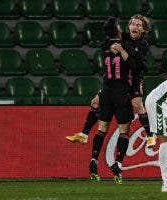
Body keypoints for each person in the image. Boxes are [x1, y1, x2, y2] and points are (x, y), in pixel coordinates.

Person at [65, 14, 155, 147]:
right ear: (128, 26)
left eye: (138, 25)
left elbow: (140, 66)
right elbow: (105, 44)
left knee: (137, 104)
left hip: (135, 78)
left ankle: (150, 135)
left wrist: (122, 50)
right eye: (133, 24)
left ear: (143, 30)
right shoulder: (123, 36)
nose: (134, 27)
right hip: (120, 79)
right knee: (95, 102)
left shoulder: (143, 45)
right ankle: (84, 135)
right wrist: (110, 46)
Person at [88, 17, 135, 184]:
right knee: (124, 131)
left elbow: (105, 43)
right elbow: (134, 61)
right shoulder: (125, 44)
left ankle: (94, 159)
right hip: (121, 91)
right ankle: (118, 164)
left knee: (102, 128)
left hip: (106, 91)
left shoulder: (105, 46)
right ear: (117, 29)